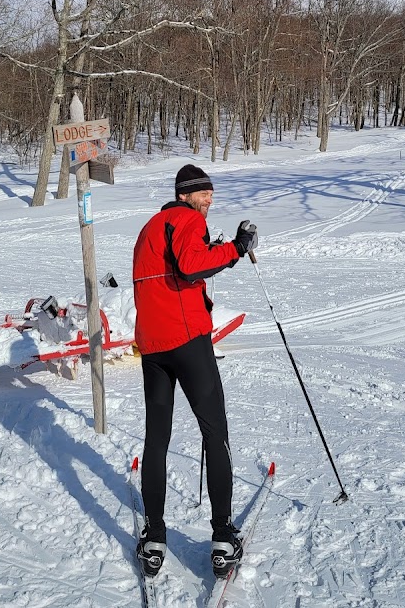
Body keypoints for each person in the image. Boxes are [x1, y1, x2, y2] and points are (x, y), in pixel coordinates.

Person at [131, 163, 258, 578]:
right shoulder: (186, 219)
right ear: (186, 194)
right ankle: (222, 536)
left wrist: (215, 254)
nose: (210, 200)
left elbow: (180, 267)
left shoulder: (152, 226)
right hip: (187, 343)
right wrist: (237, 248)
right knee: (214, 433)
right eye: (204, 193)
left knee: (157, 439)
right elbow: (190, 265)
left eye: (210, 193)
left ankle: (154, 535)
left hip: (154, 347)